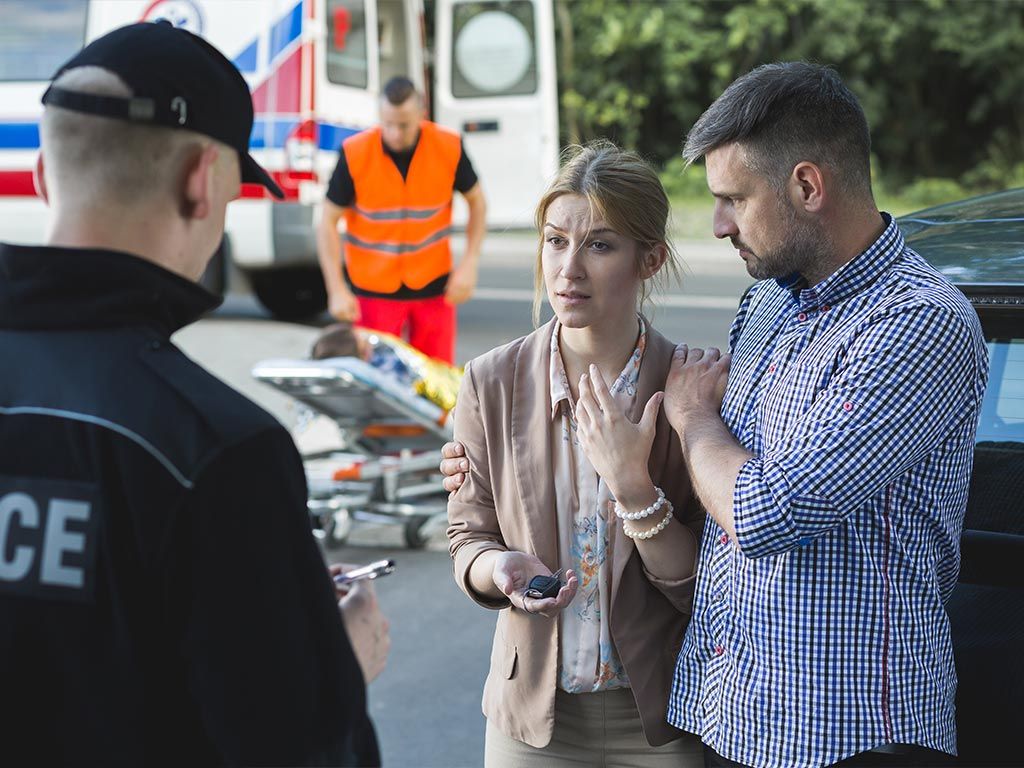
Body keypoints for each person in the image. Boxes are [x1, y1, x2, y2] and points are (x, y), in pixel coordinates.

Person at [0, 22, 387, 767]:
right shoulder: (216, 448)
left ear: (45, 175)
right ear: (202, 182)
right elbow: (295, 747)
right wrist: (338, 664)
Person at [661, 63, 988, 767]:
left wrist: (693, 419)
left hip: (854, 734)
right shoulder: (770, 300)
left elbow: (762, 512)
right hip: (733, 716)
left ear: (808, 186)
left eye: (733, 200)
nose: (718, 226)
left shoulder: (918, 324)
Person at [445, 141, 705, 767]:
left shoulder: (693, 388)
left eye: (599, 244)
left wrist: (635, 489)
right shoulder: (490, 382)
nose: (568, 269)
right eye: (555, 240)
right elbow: (466, 537)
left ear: (651, 259)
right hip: (532, 722)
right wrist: (498, 569)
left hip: (662, 719)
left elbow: (706, 585)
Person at [316, 75, 486, 364]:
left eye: (404, 125)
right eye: (388, 123)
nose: (395, 133)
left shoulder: (448, 147)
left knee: (436, 384)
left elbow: (477, 202)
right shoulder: (355, 154)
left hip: (434, 289)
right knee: (376, 384)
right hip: (372, 294)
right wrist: (336, 289)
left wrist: (469, 263)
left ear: (422, 114)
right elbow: (327, 222)